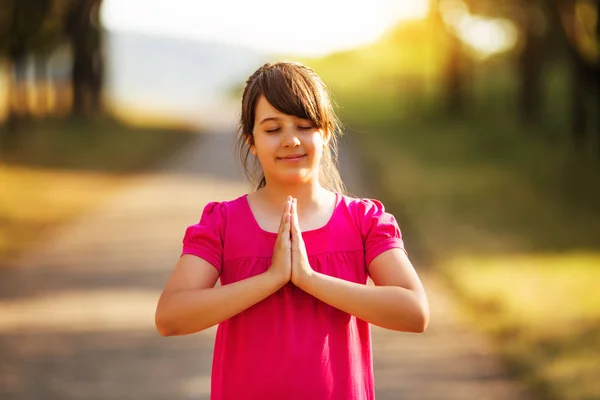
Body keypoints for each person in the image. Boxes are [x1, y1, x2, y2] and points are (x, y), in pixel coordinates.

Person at [155, 61, 429, 400]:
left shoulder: (363, 221)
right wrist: (271, 278)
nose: (290, 140)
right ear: (250, 140)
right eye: (272, 129)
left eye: (304, 125)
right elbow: (170, 317)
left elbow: (414, 311)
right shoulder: (222, 223)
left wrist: (309, 279)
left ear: (326, 132)